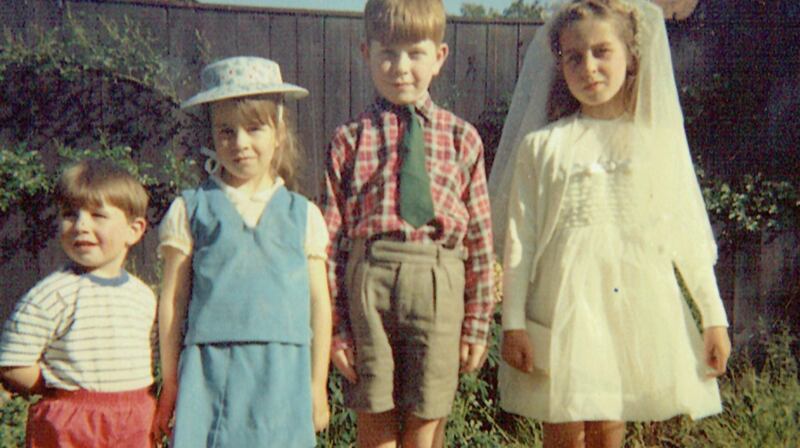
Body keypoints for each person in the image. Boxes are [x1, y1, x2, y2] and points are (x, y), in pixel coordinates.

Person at [488, 0, 732, 446]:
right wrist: (514, 322)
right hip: (561, 305)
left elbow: (682, 230)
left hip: (628, 305)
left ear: (631, 56)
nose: (589, 67)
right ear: (559, 64)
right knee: (562, 424)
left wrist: (713, 316)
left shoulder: (653, 143)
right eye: (574, 57)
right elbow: (519, 239)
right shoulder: (542, 147)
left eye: (602, 51)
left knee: (609, 424)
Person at [321, 0, 496, 446]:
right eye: (387, 53)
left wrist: (477, 320)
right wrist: (337, 328)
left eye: (415, 53)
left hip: (439, 279)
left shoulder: (462, 138)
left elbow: (479, 237)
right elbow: (331, 240)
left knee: (427, 420)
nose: (401, 67)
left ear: (439, 56)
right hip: (369, 281)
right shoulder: (349, 138)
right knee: (374, 414)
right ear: (365, 52)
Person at [152, 56, 331, 447]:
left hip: (283, 375)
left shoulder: (304, 215)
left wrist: (318, 385)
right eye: (226, 131)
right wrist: (171, 380)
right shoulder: (191, 209)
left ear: (279, 132)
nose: (240, 143)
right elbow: (173, 299)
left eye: (254, 128)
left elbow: (320, 304)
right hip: (210, 374)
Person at [0, 159, 155, 447]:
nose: (81, 226)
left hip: (134, 417)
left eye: (98, 215)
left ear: (133, 231)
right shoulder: (53, 294)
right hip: (73, 420)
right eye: (70, 215)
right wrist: (58, 387)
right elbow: (12, 361)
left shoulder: (142, 296)